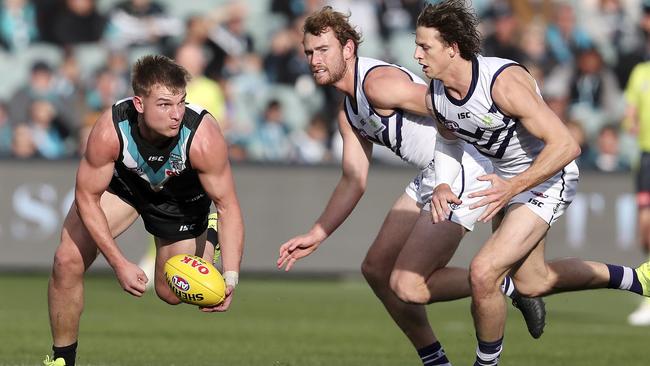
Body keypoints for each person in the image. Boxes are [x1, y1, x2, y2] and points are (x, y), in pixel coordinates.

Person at [276, 7, 545, 366]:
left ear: (348, 49)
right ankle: (435, 358)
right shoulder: (348, 109)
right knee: (375, 270)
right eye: (309, 52)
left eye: (323, 50)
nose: (314, 60)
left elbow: (448, 105)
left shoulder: (378, 84)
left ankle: (501, 283)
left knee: (408, 285)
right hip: (433, 174)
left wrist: (495, 159)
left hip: (458, 169)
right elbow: (354, 180)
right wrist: (317, 234)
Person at [416, 1, 650, 365]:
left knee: (483, 272)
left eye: (425, 46)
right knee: (531, 282)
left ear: (452, 48)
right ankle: (638, 280)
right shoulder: (437, 94)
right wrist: (444, 184)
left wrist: (512, 188)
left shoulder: (502, 85)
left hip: (548, 176)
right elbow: (448, 139)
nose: (416, 55)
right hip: (509, 181)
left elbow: (567, 145)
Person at [43, 55, 244, 366]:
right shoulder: (111, 129)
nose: (176, 114)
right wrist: (118, 262)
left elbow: (228, 205)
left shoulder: (202, 136)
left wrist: (230, 277)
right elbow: (86, 197)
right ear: (139, 103)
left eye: (181, 103)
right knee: (66, 259)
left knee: (169, 292)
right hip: (125, 189)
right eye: (164, 105)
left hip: (179, 200)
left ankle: (209, 235)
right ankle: (61, 360)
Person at [624, 60, 650, 326]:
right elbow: (630, 110)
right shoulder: (640, 71)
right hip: (647, 159)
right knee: (646, 229)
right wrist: (630, 120)